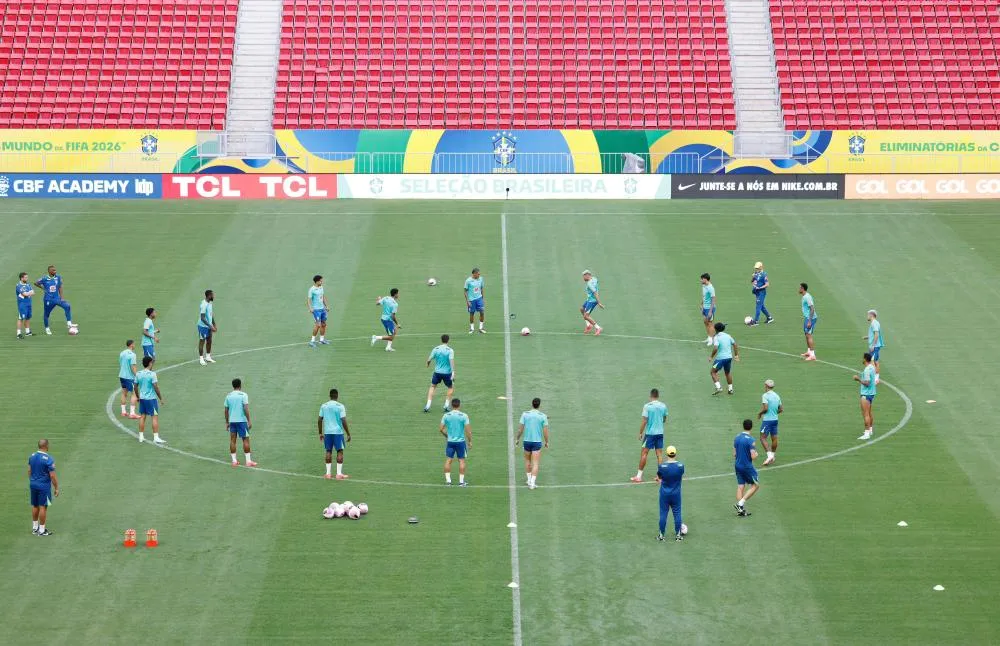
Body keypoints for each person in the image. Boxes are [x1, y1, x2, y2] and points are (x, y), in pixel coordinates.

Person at [631, 388, 669, 483]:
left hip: (650, 434)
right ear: (658, 396)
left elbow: (644, 421)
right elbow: (664, 419)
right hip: (660, 433)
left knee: (644, 453)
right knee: (659, 454)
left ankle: (639, 477)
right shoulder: (663, 406)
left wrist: (640, 433)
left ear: (650, 396)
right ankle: (660, 477)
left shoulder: (647, 406)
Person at [514, 397, 549, 489]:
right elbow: (545, 431)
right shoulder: (543, 416)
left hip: (527, 442)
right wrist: (547, 442)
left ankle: (529, 480)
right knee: (536, 463)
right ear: (539, 405)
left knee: (527, 461)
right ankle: (532, 483)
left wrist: (517, 439)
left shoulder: (525, 414)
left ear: (532, 404)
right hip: (537, 442)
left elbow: (520, 429)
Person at [34, 265, 77, 334]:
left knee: (67, 306)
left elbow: (60, 287)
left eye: (55, 270)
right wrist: (43, 288)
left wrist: (62, 297)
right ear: (49, 271)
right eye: (53, 270)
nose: (55, 271)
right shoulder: (44, 278)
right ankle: (47, 328)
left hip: (57, 298)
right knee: (46, 314)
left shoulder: (58, 277)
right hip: (48, 299)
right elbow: (36, 283)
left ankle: (69, 323)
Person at [28, 439, 58, 536]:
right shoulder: (48, 459)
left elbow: (29, 471)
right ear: (46, 446)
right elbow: (52, 476)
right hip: (43, 486)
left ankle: (34, 528)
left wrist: (33, 480)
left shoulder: (32, 456)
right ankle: (42, 530)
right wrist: (56, 487)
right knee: (43, 507)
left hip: (33, 484)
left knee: (35, 505)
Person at [318, 388, 351, 479]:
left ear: (330, 396)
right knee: (340, 451)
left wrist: (320, 433)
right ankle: (338, 474)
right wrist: (348, 433)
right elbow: (343, 420)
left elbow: (320, 419)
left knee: (328, 450)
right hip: (338, 433)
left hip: (327, 432)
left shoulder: (324, 406)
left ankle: (328, 473)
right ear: (337, 395)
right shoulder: (340, 406)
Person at [134, 356, 166, 445]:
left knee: (142, 417)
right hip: (151, 399)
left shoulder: (138, 373)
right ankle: (156, 437)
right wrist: (160, 398)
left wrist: (137, 396)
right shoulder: (152, 374)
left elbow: (135, 386)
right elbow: (155, 387)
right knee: (154, 417)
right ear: (149, 363)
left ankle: (141, 436)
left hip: (143, 399)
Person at [655, 445, 684, 541]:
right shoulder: (680, 466)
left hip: (664, 494)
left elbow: (659, 477)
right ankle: (678, 535)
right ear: (675, 454)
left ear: (667, 454)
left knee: (663, 514)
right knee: (677, 513)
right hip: (676, 494)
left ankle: (661, 535)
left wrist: (658, 479)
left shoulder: (662, 467)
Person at [225, 378, 256, 467]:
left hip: (232, 421)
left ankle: (234, 461)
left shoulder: (228, 396)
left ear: (233, 386)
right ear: (240, 385)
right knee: (245, 440)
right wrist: (249, 420)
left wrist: (227, 422)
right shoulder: (243, 395)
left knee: (232, 440)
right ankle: (248, 461)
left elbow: (226, 410)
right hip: (241, 421)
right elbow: (245, 408)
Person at [440, 398, 471, 486]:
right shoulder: (464, 416)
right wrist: (470, 441)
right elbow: (468, 431)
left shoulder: (446, 415)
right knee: (461, 461)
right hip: (460, 442)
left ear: (451, 405)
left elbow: (441, 429)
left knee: (448, 460)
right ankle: (461, 482)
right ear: (459, 405)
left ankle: (448, 481)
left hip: (450, 442)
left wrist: (447, 436)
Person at [734, 419, 759, 517]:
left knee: (741, 486)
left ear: (743, 426)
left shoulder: (737, 438)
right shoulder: (751, 440)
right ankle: (740, 504)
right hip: (746, 466)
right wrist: (756, 454)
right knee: (756, 485)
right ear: (751, 427)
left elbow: (734, 454)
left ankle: (740, 510)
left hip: (738, 465)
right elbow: (753, 456)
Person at [424, 334, 455, 412]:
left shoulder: (436, 349)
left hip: (437, 372)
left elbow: (429, 359)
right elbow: (451, 361)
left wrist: (428, 364)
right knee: (450, 387)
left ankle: (428, 405)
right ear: (448, 340)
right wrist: (453, 372)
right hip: (447, 373)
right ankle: (446, 405)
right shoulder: (450, 350)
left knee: (432, 387)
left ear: (441, 340)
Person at [758, 379, 783, 465]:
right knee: (774, 438)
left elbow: (765, 408)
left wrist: (760, 413)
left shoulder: (765, 395)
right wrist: (774, 413)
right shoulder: (777, 396)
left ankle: (769, 456)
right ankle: (773, 455)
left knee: (762, 437)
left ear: (766, 386)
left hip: (767, 421)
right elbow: (781, 409)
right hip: (775, 420)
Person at [710, 322, 739, 395]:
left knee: (713, 372)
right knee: (727, 373)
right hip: (729, 358)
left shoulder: (717, 337)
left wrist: (711, 356)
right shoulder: (728, 336)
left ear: (715, 329)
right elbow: (735, 344)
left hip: (720, 359)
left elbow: (715, 348)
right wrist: (736, 355)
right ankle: (730, 389)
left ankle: (718, 387)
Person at [854, 353, 877, 440]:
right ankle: (870, 429)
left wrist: (858, 379)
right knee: (869, 412)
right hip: (871, 394)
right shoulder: (872, 367)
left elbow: (867, 383)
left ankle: (866, 433)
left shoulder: (867, 370)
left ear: (865, 359)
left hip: (866, 394)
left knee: (865, 414)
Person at [118, 339, 140, 419]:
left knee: (124, 393)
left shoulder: (122, 353)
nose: (134, 345)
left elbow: (120, 363)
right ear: (131, 345)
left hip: (122, 376)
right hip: (129, 377)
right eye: (134, 344)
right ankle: (132, 413)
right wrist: (137, 376)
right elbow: (133, 367)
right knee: (134, 394)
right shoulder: (132, 355)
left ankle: (123, 412)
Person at [307, 275, 331, 348]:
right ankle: (312, 341)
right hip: (316, 310)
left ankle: (322, 340)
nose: (322, 281)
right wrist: (310, 308)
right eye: (321, 280)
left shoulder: (321, 287)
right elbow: (308, 300)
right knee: (318, 325)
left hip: (322, 309)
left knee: (323, 324)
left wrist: (326, 306)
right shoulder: (312, 289)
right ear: (317, 281)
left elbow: (323, 297)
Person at [580, 270, 604, 335]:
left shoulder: (589, 284)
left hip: (592, 301)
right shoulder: (594, 279)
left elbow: (595, 293)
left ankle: (598, 328)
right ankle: (589, 325)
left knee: (586, 316)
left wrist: (599, 303)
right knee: (582, 309)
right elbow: (596, 283)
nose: (583, 278)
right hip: (589, 300)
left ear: (587, 275)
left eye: (584, 276)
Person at [749, 261, 773, 326]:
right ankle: (769, 317)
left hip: (761, 292)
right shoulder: (756, 273)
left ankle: (755, 321)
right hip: (757, 292)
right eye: (756, 268)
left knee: (758, 306)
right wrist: (753, 277)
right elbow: (752, 281)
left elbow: (767, 284)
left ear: (761, 267)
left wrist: (760, 287)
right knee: (761, 306)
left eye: (757, 268)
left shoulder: (764, 274)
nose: (756, 269)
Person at [198, 289, 217, 365]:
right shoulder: (204, 304)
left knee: (209, 341)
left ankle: (208, 357)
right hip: (202, 326)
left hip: (209, 326)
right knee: (202, 341)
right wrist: (210, 326)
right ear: (209, 296)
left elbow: (210, 314)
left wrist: (214, 324)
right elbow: (202, 318)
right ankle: (201, 359)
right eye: (212, 295)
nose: (214, 296)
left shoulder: (210, 303)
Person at [799, 283, 818, 361]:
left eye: (800, 288)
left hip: (811, 318)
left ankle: (813, 355)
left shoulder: (807, 297)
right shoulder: (804, 296)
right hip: (807, 318)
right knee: (806, 334)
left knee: (809, 335)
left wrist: (809, 321)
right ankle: (809, 351)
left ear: (803, 288)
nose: (799, 289)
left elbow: (812, 309)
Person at [464, 267, 486, 334]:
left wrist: (483, 299)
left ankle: (481, 328)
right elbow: (465, 291)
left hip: (479, 299)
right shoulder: (468, 281)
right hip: (471, 300)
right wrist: (467, 301)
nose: (479, 275)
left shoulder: (481, 279)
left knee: (482, 312)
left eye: (479, 274)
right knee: (472, 313)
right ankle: (472, 328)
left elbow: (481, 288)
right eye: (478, 274)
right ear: (474, 274)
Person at [866, 309, 884, 382]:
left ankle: (875, 378)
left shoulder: (874, 323)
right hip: (875, 345)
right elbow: (874, 334)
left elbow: (876, 334)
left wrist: (873, 345)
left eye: (868, 315)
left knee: (872, 361)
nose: (867, 316)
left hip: (875, 346)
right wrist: (867, 337)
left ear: (871, 315)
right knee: (875, 361)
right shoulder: (875, 323)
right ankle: (876, 378)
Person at [16, 272, 34, 339]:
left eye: (27, 277)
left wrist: (28, 293)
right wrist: (29, 293)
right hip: (22, 305)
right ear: (21, 278)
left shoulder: (28, 285)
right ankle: (18, 333)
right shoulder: (18, 285)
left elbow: (33, 292)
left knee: (28, 317)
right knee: (21, 318)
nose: (27, 278)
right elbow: (25, 294)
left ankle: (27, 332)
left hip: (28, 303)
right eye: (26, 277)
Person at [700, 273, 716, 345]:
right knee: (705, 322)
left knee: (710, 324)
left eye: (702, 279)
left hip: (709, 308)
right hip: (705, 307)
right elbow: (704, 296)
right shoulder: (703, 285)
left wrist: (710, 311)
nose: (700, 280)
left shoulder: (710, 288)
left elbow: (713, 299)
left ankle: (711, 339)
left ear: (705, 279)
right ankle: (708, 337)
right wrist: (701, 304)